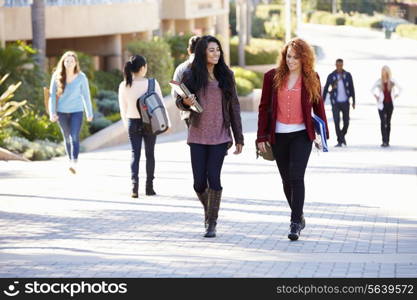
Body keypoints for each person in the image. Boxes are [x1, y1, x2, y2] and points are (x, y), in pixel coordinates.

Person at [256, 38, 329, 241]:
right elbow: (263, 108)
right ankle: (299, 213)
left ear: (304, 58)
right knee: (286, 179)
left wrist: (322, 135)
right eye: (288, 56)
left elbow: (319, 106)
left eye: (296, 57)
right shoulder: (272, 77)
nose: (291, 60)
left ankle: (295, 222)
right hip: (278, 135)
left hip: (301, 134)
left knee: (296, 177)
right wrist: (261, 136)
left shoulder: (311, 77)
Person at [176, 35, 244, 238]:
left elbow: (234, 106)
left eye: (218, 50)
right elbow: (181, 100)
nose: (216, 53)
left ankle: (211, 222)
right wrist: (185, 103)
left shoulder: (226, 75)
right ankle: (210, 210)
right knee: (198, 183)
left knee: (213, 177)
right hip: (197, 134)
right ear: (202, 52)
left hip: (220, 135)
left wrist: (238, 137)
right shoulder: (191, 74)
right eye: (211, 50)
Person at [118, 55, 165, 198]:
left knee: (135, 154)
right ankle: (149, 188)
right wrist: (165, 124)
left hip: (133, 122)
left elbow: (123, 110)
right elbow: (160, 105)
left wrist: (127, 126)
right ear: (143, 67)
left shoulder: (124, 85)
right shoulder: (152, 83)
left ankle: (134, 188)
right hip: (150, 123)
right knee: (150, 154)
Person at [49, 51, 93, 174]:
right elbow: (52, 96)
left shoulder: (81, 77)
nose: (69, 63)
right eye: (66, 61)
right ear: (63, 62)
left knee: (74, 136)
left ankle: (74, 162)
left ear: (75, 63)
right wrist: (52, 112)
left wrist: (89, 113)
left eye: (71, 61)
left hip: (77, 111)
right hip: (61, 112)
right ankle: (70, 160)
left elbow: (86, 96)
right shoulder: (56, 76)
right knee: (67, 138)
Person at [323, 58, 355, 147]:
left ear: (343, 65)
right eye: (337, 65)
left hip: (345, 102)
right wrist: (322, 102)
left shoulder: (348, 75)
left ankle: (341, 137)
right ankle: (340, 140)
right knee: (336, 121)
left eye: (340, 65)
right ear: (335, 65)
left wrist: (353, 101)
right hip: (335, 102)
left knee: (346, 122)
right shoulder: (331, 76)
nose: (339, 67)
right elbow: (326, 89)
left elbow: (352, 88)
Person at [371, 65, 401, 147]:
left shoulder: (392, 81)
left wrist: (395, 96)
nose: (384, 74)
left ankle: (387, 140)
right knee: (383, 122)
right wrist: (376, 96)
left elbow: (400, 88)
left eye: (386, 72)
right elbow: (372, 89)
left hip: (390, 105)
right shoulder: (379, 81)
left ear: (388, 73)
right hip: (381, 105)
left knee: (388, 122)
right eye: (383, 72)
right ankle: (384, 141)